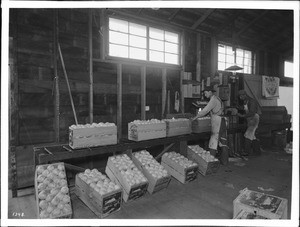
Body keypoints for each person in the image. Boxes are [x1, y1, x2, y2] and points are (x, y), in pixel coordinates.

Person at [192, 86, 228, 164]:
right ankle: (225, 161)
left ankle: (211, 163)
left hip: (218, 122)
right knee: (223, 142)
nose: (205, 95)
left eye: (205, 93)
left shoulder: (213, 100)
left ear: (210, 92)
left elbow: (205, 110)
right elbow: (215, 110)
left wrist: (196, 117)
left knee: (213, 142)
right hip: (222, 121)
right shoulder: (217, 98)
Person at [237, 90, 261, 156]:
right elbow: (245, 109)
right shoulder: (245, 101)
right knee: (253, 136)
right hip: (250, 119)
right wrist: (237, 107)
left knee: (248, 134)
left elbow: (252, 112)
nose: (240, 98)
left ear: (245, 95)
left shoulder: (252, 101)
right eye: (239, 96)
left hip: (254, 118)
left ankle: (246, 152)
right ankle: (257, 152)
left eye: (241, 96)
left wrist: (242, 116)